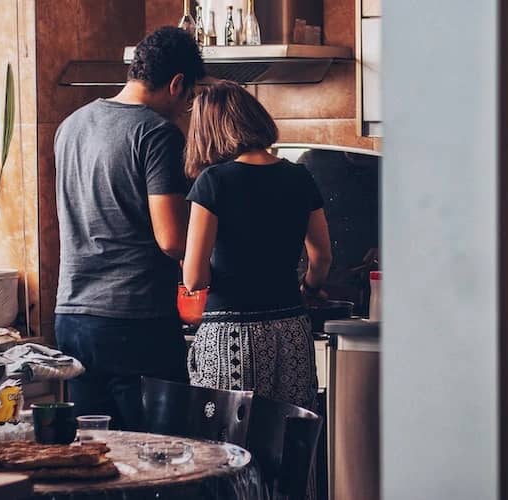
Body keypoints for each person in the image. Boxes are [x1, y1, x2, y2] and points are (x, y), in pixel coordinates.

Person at [52, 26, 204, 430]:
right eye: (189, 98)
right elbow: (172, 240)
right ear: (176, 84)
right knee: (165, 457)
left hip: (72, 316)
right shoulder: (156, 133)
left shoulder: (71, 126)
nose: (185, 107)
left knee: (98, 457)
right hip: (133, 321)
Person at [182, 81, 333, 412]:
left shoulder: (214, 181)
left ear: (208, 131)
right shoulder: (299, 176)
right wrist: (307, 289)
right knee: (290, 440)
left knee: (229, 448)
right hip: (291, 329)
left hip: (231, 336)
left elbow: (194, 278)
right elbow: (321, 256)